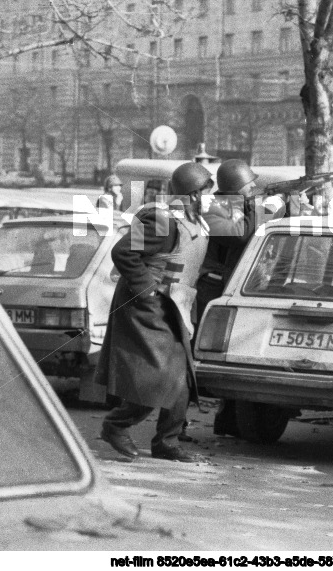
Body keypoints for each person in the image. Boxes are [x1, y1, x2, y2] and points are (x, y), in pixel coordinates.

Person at [94, 162, 213, 462]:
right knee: (155, 379)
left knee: (181, 378)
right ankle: (114, 426)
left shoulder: (194, 221)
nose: (212, 199)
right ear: (193, 194)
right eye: (207, 193)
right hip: (145, 306)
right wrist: (146, 290)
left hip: (174, 304)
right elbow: (123, 252)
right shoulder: (162, 220)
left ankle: (166, 442)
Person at [190, 159, 262, 439]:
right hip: (211, 290)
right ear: (236, 188)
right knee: (204, 357)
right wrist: (260, 206)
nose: (255, 188)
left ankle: (229, 419)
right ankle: (175, 421)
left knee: (233, 354)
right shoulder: (213, 210)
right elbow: (240, 235)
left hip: (228, 288)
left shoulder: (234, 206)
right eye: (250, 186)